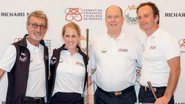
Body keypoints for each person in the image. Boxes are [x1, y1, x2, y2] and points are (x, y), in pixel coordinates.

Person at [89, 5, 143, 104]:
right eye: (109, 17)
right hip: (101, 97)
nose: (112, 20)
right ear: (105, 20)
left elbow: (145, 66)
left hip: (125, 97)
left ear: (122, 20)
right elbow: (91, 68)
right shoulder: (97, 42)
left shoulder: (134, 41)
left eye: (116, 17)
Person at [0, 10, 49, 104]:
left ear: (45, 29)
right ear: (27, 26)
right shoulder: (15, 48)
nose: (38, 30)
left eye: (42, 26)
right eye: (34, 25)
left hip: (42, 101)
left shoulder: (45, 49)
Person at [136, 2, 181, 104]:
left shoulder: (166, 38)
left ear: (156, 18)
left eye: (146, 16)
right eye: (139, 17)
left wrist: (166, 97)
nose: (142, 20)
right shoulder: (148, 39)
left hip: (158, 95)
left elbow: (176, 69)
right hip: (145, 93)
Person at [49, 22, 88, 104]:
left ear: (78, 37)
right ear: (63, 37)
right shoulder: (55, 54)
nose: (70, 39)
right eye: (67, 36)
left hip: (77, 100)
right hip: (57, 100)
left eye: (73, 36)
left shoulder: (84, 58)